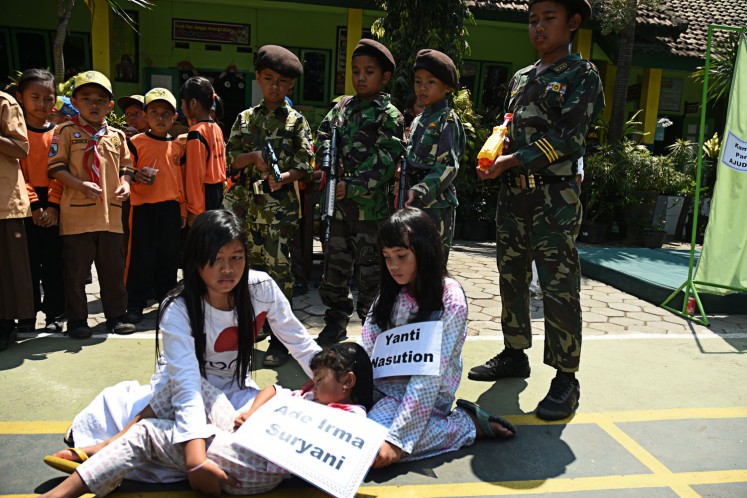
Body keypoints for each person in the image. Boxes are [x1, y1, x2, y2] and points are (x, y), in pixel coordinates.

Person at [44, 210, 322, 484]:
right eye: (216, 259)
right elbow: (187, 386)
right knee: (185, 431)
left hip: (234, 392)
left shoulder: (261, 287)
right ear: (196, 262)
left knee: (277, 427)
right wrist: (196, 459)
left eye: (237, 257)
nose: (228, 269)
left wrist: (338, 385)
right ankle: (110, 445)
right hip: (178, 390)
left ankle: (134, 446)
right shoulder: (177, 307)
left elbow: (299, 342)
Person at [468, 0, 605, 421]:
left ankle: (566, 377)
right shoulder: (522, 77)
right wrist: (496, 155)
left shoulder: (583, 75)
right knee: (510, 277)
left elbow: (569, 139)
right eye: (533, 20)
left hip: (554, 200)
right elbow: (509, 126)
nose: (538, 27)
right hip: (514, 198)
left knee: (558, 286)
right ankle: (515, 353)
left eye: (549, 19)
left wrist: (514, 161)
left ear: (573, 23)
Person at [40, 342, 372, 498]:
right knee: (187, 384)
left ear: (348, 382)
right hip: (244, 433)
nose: (314, 383)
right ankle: (107, 447)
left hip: (255, 465)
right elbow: (272, 389)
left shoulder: (351, 419)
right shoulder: (312, 395)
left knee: (147, 433)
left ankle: (63, 495)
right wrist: (251, 413)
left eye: (321, 378)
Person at [362, 207, 515, 469]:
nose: (393, 267)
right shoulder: (390, 291)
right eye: (387, 257)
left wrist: (398, 441)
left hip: (426, 397)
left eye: (401, 256)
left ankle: (465, 425)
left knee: (369, 450)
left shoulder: (450, 299)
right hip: (381, 389)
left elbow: (428, 378)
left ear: (424, 252)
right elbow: (367, 344)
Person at [224, 45, 314, 367]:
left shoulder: (297, 123)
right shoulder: (245, 119)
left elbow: (306, 163)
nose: (274, 86)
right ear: (259, 79)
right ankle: (248, 332)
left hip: (279, 215)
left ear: (291, 86)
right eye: (268, 79)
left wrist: (285, 177)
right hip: (247, 211)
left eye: (282, 82)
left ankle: (280, 341)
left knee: (279, 277)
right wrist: (253, 158)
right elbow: (230, 162)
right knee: (244, 275)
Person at [314, 38, 405, 346]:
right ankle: (336, 322)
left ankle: (373, 330)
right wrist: (328, 158)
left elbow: (385, 159)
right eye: (356, 71)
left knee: (371, 274)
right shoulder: (341, 108)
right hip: (337, 210)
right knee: (334, 269)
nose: (361, 77)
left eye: (369, 71)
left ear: (385, 77)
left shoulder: (389, 115)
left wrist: (349, 186)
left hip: (370, 213)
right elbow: (323, 136)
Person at [47, 71, 136, 339]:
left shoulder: (117, 136)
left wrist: (126, 183)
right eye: (86, 98)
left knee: (112, 270)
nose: (94, 104)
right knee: (75, 272)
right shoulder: (65, 132)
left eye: (100, 99)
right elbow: (55, 167)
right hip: (76, 217)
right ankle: (77, 319)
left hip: (110, 215)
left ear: (110, 105)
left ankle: (116, 316)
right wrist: (79, 184)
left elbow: (127, 166)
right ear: (74, 101)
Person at [123, 88, 186, 324]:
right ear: (145, 116)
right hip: (143, 209)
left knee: (168, 259)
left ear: (174, 116)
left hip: (170, 208)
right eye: (154, 112)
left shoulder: (178, 146)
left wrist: (182, 209)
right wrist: (136, 176)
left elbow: (180, 179)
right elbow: (127, 170)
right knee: (140, 257)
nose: (160, 118)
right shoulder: (136, 142)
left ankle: (167, 303)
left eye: (166, 113)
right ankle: (134, 305)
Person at [401, 49, 465, 262]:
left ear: (447, 87)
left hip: (436, 205)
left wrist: (419, 189)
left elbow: (448, 166)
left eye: (430, 82)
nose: (422, 88)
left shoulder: (447, 120)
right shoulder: (419, 119)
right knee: (413, 262)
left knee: (432, 264)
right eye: (418, 81)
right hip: (413, 201)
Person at [15, 69, 65, 333]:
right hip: (25, 203)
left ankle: (55, 313)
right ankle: (26, 314)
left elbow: (61, 170)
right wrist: (35, 205)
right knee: (28, 264)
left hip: (55, 202)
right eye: (35, 97)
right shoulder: (16, 135)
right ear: (20, 97)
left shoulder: (59, 134)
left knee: (54, 262)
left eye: (49, 98)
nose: (42, 104)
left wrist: (53, 205)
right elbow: (17, 172)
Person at [0, 88, 34, 350]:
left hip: (4, 202)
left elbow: (21, 149)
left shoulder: (5, 102)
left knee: (8, 270)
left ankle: (5, 325)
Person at [181, 76, 227, 227]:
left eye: (182, 102)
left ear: (193, 103)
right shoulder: (217, 128)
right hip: (218, 192)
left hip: (204, 197)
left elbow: (195, 176)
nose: (181, 107)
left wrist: (195, 211)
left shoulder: (196, 132)